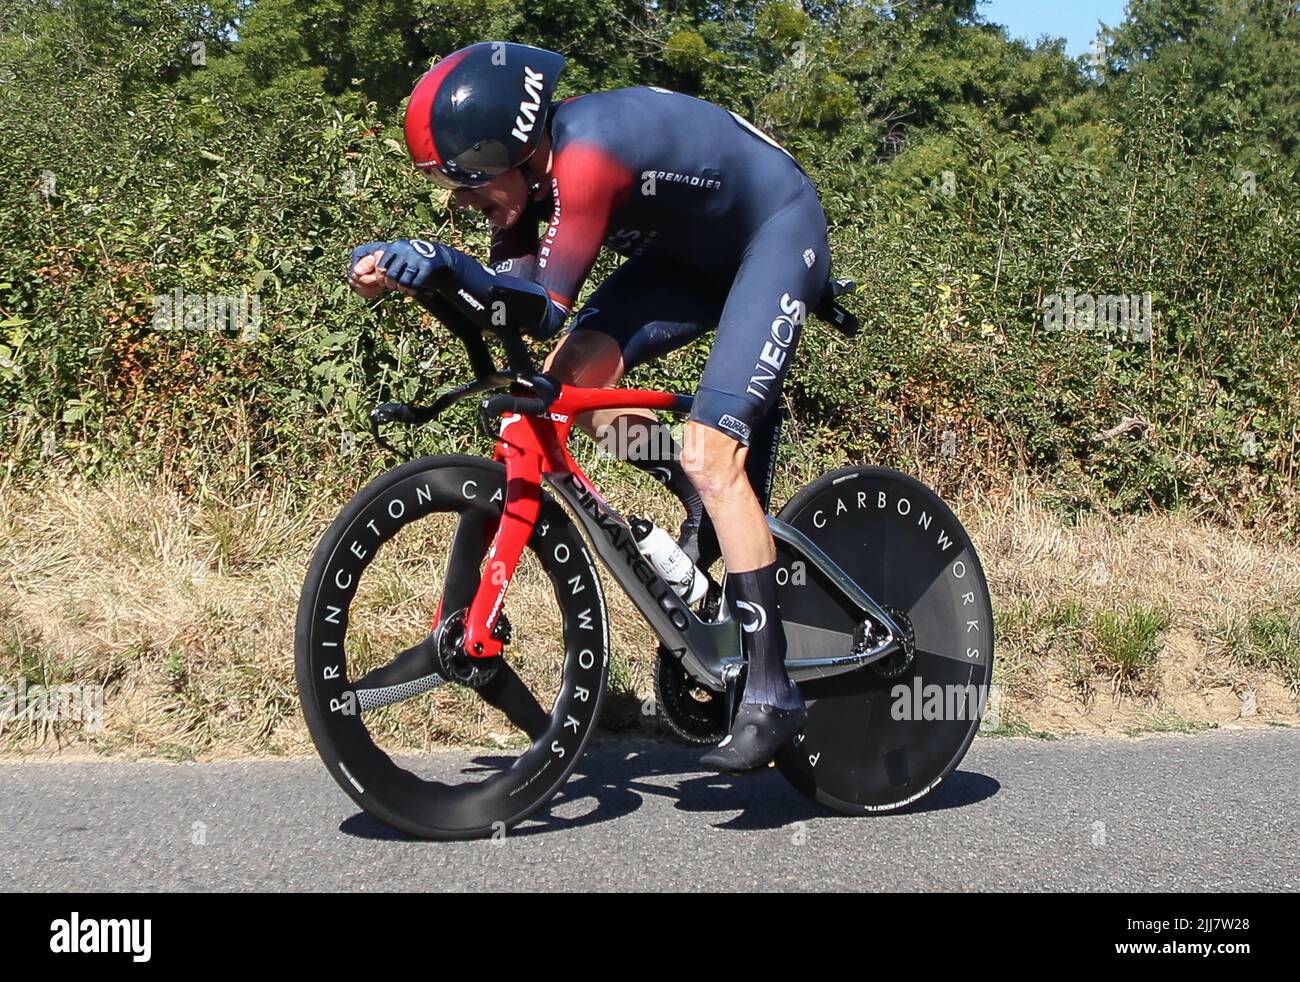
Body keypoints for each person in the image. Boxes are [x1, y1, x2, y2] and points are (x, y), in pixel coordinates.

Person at [347, 41, 833, 773]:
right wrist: (415, 274)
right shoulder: (521, 183)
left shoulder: (587, 157)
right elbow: (505, 311)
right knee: (563, 385)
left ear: (512, 149)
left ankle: (772, 689)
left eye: (468, 182)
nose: (462, 201)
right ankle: (687, 489)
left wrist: (442, 260)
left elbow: (540, 308)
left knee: (712, 451)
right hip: (688, 262)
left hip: (773, 235)